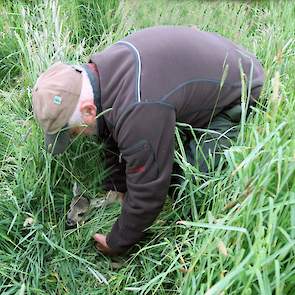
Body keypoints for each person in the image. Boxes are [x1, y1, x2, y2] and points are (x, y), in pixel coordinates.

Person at [32, 26, 264, 256]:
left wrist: (117, 242)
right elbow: (110, 129)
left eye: (72, 132)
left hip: (243, 87)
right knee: (150, 141)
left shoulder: (139, 107)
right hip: (224, 57)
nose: (75, 136)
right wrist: (118, 186)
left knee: (187, 184)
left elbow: (150, 191)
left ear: (89, 110)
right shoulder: (104, 71)